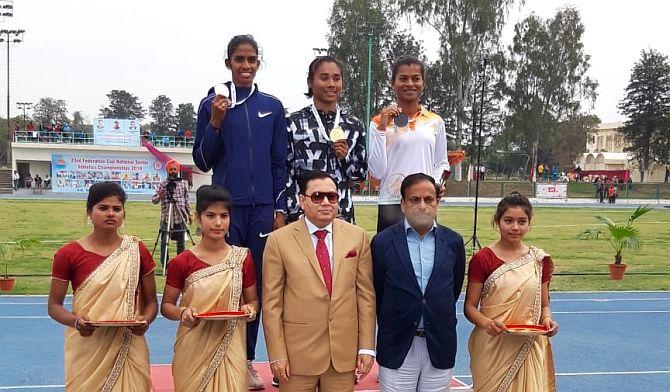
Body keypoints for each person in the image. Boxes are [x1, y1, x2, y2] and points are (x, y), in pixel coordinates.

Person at [193, 34, 288, 389]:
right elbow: (202, 160)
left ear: (258, 63)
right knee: (225, 283)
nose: (245, 66)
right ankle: (219, 356)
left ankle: (247, 361)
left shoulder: (272, 106)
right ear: (228, 63)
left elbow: (280, 162)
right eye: (239, 59)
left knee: (256, 288)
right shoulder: (211, 105)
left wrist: (278, 206)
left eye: (251, 59)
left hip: (263, 211)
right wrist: (216, 122)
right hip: (226, 212)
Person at [262, 170, 376, 392]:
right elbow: (271, 304)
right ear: (302, 201)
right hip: (297, 357)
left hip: (342, 355)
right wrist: (276, 354)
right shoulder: (279, 241)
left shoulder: (357, 237)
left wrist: (366, 347)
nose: (326, 202)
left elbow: (366, 297)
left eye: (331, 197)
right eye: (317, 196)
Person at [47, 182, 158, 390]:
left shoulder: (137, 250)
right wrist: (77, 322)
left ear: (123, 213)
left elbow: (152, 302)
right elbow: (54, 306)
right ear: (90, 212)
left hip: (128, 345)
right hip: (87, 347)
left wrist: (145, 320)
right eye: (103, 208)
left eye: (117, 209)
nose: (111, 214)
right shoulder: (69, 254)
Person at [371, 173, 465, 392]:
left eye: (428, 199)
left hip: (438, 344)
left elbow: (453, 290)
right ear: (403, 204)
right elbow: (378, 290)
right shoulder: (382, 242)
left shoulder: (453, 242)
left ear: (437, 203)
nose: (422, 206)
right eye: (414, 199)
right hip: (398, 345)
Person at [161, 185, 259, 391]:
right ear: (198, 217)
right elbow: (167, 306)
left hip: (230, 345)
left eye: (224, 216)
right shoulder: (182, 262)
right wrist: (183, 312)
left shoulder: (242, 258)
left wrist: (250, 310)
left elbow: (252, 301)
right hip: (193, 347)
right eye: (210, 215)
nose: (218, 222)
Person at [464, 192, 558, 392]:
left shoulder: (538, 260)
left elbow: (544, 304)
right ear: (497, 222)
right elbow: (470, 307)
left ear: (529, 223)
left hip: (528, 345)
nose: (515, 227)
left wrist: (548, 320)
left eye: (522, 221)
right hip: (492, 344)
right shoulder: (483, 259)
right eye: (509, 221)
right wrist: (488, 323)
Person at [368, 56, 449, 232]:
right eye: (403, 78)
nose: (409, 84)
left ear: (423, 83)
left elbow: (441, 162)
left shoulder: (435, 121)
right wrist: (382, 127)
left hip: (423, 202)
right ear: (393, 83)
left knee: (424, 256)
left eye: (416, 79)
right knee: (390, 257)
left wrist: (435, 185)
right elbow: (377, 171)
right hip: (391, 201)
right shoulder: (378, 122)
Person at [286, 56, 367, 224]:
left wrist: (345, 158)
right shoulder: (292, 122)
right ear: (310, 82)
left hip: (341, 213)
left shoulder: (354, 125)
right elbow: (285, 172)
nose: (331, 84)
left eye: (336, 78)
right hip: (302, 214)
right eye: (324, 78)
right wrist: (290, 211)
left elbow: (359, 178)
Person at [152, 160, 192, 267]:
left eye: (175, 169)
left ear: (178, 171)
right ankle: (165, 264)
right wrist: (160, 194)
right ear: (167, 171)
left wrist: (190, 214)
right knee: (164, 241)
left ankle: (180, 264)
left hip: (180, 217)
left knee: (181, 243)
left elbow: (187, 201)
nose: (173, 171)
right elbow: (154, 200)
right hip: (167, 218)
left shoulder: (183, 184)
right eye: (171, 169)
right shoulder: (163, 184)